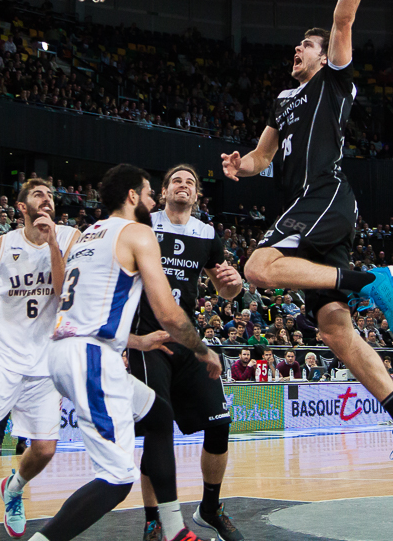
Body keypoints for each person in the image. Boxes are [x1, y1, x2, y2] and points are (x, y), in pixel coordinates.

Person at [222, 0, 393, 486]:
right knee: (336, 330)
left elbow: (343, 20)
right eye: (298, 45)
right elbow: (262, 157)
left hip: (325, 195)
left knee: (257, 267)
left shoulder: (334, 81)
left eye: (307, 45)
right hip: (307, 208)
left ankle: (373, 279)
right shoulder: (283, 99)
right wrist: (241, 166)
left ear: (324, 56)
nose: (298, 48)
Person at [27, 164, 222, 541]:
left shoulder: (89, 234)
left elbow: (82, 310)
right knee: (117, 480)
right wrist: (201, 350)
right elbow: (168, 312)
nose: (152, 201)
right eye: (149, 193)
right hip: (89, 358)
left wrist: (137, 341)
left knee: (159, 415)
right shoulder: (138, 232)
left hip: (70, 350)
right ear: (133, 196)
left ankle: (174, 529)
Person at [128, 165, 244, 541]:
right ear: (163, 192)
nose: (184, 185)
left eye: (190, 183)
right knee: (157, 430)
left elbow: (224, 290)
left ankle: (210, 508)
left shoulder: (207, 234)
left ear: (196, 196)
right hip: (150, 340)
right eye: (176, 180)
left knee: (220, 424)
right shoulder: (143, 225)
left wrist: (234, 285)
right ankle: (153, 520)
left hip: (188, 341)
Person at [0, 179, 79, 537]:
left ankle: (13, 487)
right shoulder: (0, 246)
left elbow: (64, 294)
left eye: (50, 195)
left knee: (44, 450)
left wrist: (52, 243)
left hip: (45, 362)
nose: (46, 199)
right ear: (21, 207)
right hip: (2, 355)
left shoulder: (70, 238)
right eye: (38, 194)